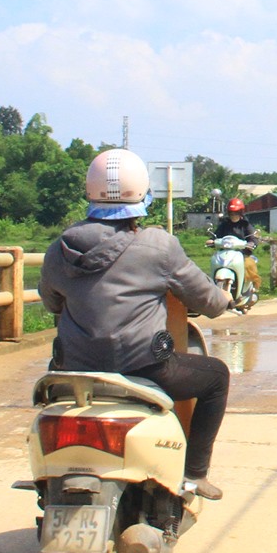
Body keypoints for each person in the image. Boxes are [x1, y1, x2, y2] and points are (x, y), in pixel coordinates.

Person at [38, 150, 236, 500]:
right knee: (217, 376)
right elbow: (207, 301)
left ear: (89, 192)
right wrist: (224, 299)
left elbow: (53, 302)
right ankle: (194, 474)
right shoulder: (158, 246)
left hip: (74, 370)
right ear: (142, 195)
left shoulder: (60, 249)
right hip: (144, 367)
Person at [210, 196, 262, 292]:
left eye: (236, 213)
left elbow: (253, 237)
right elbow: (216, 235)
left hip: (242, 253)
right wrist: (211, 240)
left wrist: (252, 243)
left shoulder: (245, 225)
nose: (234, 215)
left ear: (240, 213)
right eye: (231, 213)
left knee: (249, 265)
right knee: (214, 261)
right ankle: (212, 286)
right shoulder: (224, 224)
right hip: (225, 252)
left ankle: (251, 287)